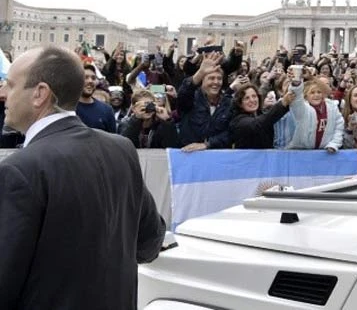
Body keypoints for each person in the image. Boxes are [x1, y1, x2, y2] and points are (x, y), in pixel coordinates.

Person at [0, 45, 165, 308]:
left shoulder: (20, 170)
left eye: (9, 84)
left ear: (40, 94)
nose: (3, 93)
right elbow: (150, 242)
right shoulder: (121, 148)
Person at [177, 51, 234, 152]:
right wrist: (200, 73)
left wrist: (208, 144)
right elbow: (183, 94)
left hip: (218, 156)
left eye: (219, 79)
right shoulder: (192, 99)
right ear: (202, 80)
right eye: (211, 78)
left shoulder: (229, 103)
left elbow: (231, 132)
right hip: (190, 155)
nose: (216, 82)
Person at [230, 81, 295, 149]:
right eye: (246, 98)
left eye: (254, 96)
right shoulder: (238, 120)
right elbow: (259, 123)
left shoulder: (261, 114)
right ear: (240, 103)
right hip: (248, 159)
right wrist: (283, 103)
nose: (252, 100)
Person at [286, 76, 344, 152]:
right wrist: (296, 84)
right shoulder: (302, 108)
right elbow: (297, 100)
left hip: (326, 152)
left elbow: (339, 128)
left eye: (319, 92)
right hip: (301, 152)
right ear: (306, 96)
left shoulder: (332, 107)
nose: (316, 95)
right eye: (312, 92)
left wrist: (334, 144)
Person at [75, 64, 117, 132]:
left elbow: (113, 139)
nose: (90, 81)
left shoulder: (107, 110)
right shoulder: (67, 108)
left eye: (93, 78)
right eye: (86, 77)